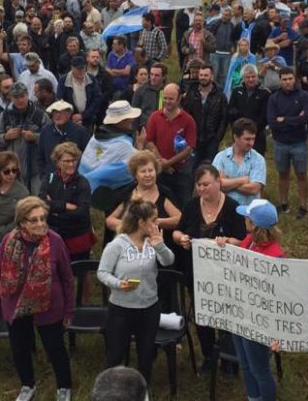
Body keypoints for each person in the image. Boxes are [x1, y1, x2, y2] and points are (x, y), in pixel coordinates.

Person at [0, 196, 74, 401]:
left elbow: (67, 279)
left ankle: (64, 388)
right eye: (34, 220)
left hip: (50, 306)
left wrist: (69, 310)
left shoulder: (55, 241)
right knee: (20, 349)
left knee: (55, 349)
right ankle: (27, 385)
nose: (40, 224)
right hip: (15, 306)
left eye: (42, 218)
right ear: (21, 223)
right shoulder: (8, 242)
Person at [172, 164, 247, 374]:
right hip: (196, 272)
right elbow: (177, 232)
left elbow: (243, 240)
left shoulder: (232, 207)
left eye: (206, 184)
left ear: (218, 182)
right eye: (199, 185)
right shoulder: (191, 206)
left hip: (226, 274)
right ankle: (208, 356)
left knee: (225, 317)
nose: (202, 189)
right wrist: (182, 239)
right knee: (202, 317)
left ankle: (228, 359)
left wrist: (228, 241)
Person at [97, 198, 175, 383]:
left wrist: (160, 246)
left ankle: (142, 390)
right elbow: (102, 272)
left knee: (146, 354)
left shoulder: (153, 242)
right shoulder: (117, 245)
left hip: (149, 307)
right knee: (116, 354)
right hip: (121, 309)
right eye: (154, 219)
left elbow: (168, 261)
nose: (158, 223)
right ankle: (110, 390)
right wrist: (117, 283)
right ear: (141, 223)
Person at [228, 199, 284, 401]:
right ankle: (254, 397)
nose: (243, 219)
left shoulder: (274, 257)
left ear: (253, 224)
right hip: (240, 312)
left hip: (257, 320)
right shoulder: (249, 241)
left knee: (259, 369)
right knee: (245, 364)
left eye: (246, 217)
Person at [104, 150, 182, 247]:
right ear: (135, 175)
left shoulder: (164, 193)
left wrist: (155, 222)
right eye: (143, 171)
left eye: (150, 170)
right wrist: (133, 225)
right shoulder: (127, 193)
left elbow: (179, 219)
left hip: (160, 247)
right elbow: (110, 221)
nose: (148, 175)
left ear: (156, 171)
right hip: (129, 248)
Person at [268, 67, 308, 218]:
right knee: (282, 174)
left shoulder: (304, 96)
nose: (287, 82)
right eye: (284, 79)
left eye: (290, 79)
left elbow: (306, 117)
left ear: (295, 79)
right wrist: (295, 119)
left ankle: (303, 206)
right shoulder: (274, 98)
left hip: (299, 142)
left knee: (301, 174)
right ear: (280, 81)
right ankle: (283, 203)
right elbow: (272, 122)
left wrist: (285, 119)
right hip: (280, 142)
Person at [144, 83, 196, 209]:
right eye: (165, 98)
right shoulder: (155, 117)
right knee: (159, 205)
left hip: (182, 171)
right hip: (160, 170)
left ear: (179, 99)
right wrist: (161, 162)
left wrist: (169, 163)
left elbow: (190, 147)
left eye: (171, 99)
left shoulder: (188, 120)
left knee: (183, 205)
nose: (167, 101)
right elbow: (149, 141)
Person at [39, 142, 93, 262]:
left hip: (77, 236)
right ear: (58, 162)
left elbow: (82, 212)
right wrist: (65, 206)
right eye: (66, 161)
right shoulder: (49, 179)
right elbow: (41, 203)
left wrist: (55, 212)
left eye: (74, 160)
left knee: (81, 272)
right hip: (55, 235)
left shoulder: (82, 183)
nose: (71, 164)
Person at [0, 82, 47, 193]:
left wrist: (35, 137)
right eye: (16, 97)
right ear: (11, 98)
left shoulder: (39, 115)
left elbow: (50, 137)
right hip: (12, 169)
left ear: (27, 95)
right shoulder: (5, 115)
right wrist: (5, 137)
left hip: (36, 168)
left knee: (37, 199)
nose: (20, 100)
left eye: (22, 96)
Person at [212, 118, 266, 206]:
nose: (251, 143)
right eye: (247, 139)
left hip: (248, 212)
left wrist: (227, 182)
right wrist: (243, 180)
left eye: (253, 139)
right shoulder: (221, 157)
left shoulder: (258, 159)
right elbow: (216, 185)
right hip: (224, 210)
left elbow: (254, 189)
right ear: (236, 137)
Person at [182, 64, 228, 164]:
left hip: (211, 140)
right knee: (192, 169)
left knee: (209, 169)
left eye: (206, 75)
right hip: (194, 139)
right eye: (201, 75)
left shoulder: (220, 96)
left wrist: (217, 138)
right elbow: (185, 113)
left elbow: (224, 119)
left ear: (212, 77)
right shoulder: (192, 92)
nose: (203, 78)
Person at [227, 64, 271, 155]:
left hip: (257, 135)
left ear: (257, 76)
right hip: (239, 134)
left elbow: (265, 115)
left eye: (253, 76)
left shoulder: (265, 93)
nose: (251, 79)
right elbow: (230, 111)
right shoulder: (236, 91)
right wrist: (238, 128)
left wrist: (253, 129)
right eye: (248, 77)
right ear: (243, 78)